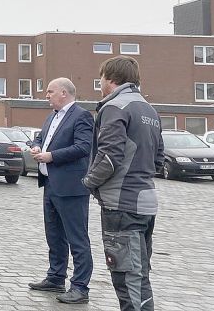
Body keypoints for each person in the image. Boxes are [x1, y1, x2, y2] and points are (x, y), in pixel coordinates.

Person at [82, 56, 163, 311]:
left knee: (127, 278)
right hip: (146, 203)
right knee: (139, 276)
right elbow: (158, 159)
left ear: (112, 80)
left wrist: (89, 182)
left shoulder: (115, 107)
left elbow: (109, 156)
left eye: (101, 79)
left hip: (121, 205)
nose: (101, 84)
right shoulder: (149, 109)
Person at [28, 78, 94, 303]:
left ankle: (80, 287)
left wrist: (51, 156)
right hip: (50, 185)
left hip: (72, 188)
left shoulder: (82, 116)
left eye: (50, 91)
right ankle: (56, 277)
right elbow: (41, 137)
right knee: (54, 235)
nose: (46, 95)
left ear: (63, 93)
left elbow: (84, 147)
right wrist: (37, 146)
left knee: (77, 238)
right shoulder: (52, 116)